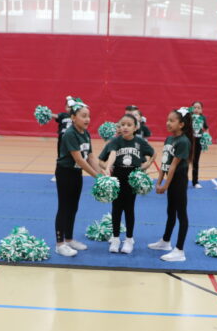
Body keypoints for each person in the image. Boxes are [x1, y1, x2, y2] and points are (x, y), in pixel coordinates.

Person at [98, 114, 155, 254]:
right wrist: (107, 167)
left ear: (135, 127)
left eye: (129, 125)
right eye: (122, 124)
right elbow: (102, 159)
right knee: (116, 209)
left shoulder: (140, 142)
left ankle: (129, 239)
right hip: (117, 177)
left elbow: (153, 153)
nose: (125, 127)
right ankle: (116, 238)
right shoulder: (115, 142)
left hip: (132, 179)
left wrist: (146, 165)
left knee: (129, 209)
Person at [54, 99, 103, 257]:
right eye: (83, 116)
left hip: (76, 174)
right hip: (65, 173)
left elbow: (90, 157)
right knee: (64, 208)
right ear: (73, 117)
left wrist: (103, 175)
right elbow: (79, 160)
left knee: (73, 207)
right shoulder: (70, 134)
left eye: (88, 116)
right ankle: (60, 244)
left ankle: (69, 239)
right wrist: (97, 177)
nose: (87, 119)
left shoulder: (86, 133)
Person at [148, 108, 194, 262]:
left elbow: (174, 166)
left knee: (181, 214)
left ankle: (180, 251)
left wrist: (165, 186)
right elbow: (164, 162)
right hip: (170, 180)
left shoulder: (183, 142)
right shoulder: (169, 139)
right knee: (170, 212)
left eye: (172, 121)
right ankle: (165, 242)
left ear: (181, 124)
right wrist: (159, 181)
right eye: (167, 120)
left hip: (179, 181)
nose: (168, 123)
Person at [190, 101, 209, 188]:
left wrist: (206, 137)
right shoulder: (189, 117)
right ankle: (182, 180)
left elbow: (206, 128)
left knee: (195, 162)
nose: (196, 109)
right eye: (195, 107)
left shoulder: (203, 118)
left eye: (199, 108)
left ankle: (195, 182)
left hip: (198, 141)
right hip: (189, 141)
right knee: (184, 161)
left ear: (201, 110)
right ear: (191, 108)